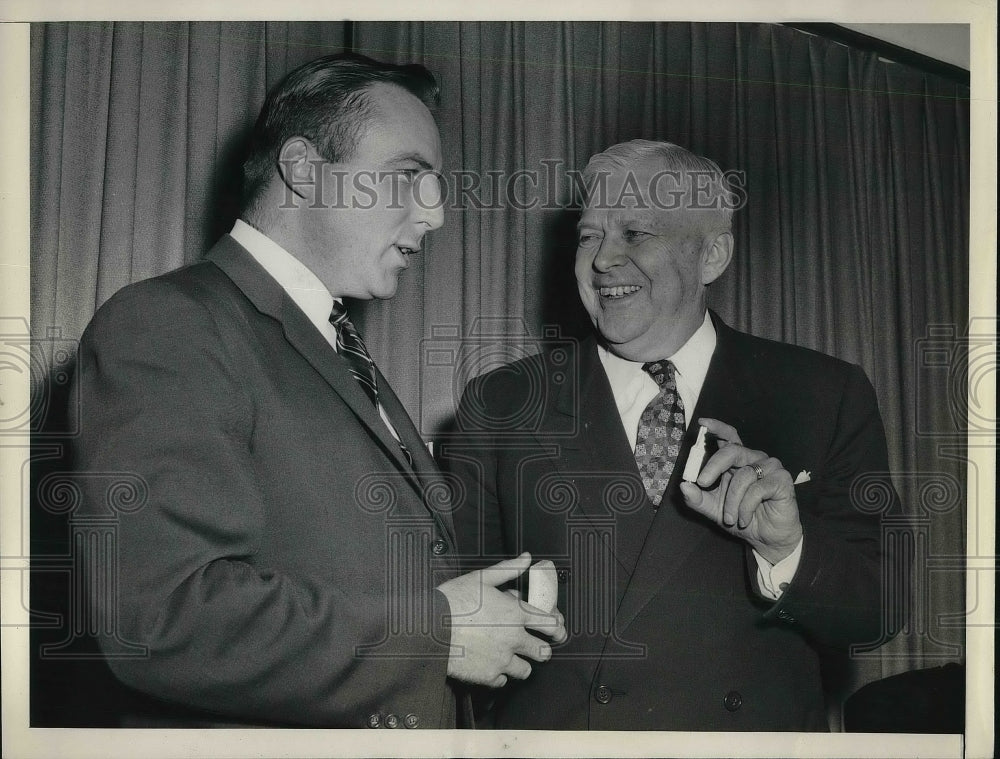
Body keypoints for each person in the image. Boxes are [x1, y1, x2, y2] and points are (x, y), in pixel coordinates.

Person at [72, 53, 564, 729]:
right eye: (407, 178)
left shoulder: (332, 344)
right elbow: (162, 613)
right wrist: (436, 633)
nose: (436, 215)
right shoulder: (171, 323)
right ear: (303, 170)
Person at [444, 140, 896, 730]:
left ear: (712, 255)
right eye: (588, 236)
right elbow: (456, 613)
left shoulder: (823, 393)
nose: (602, 260)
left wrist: (787, 551)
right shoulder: (501, 404)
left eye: (635, 233)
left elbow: (880, 611)